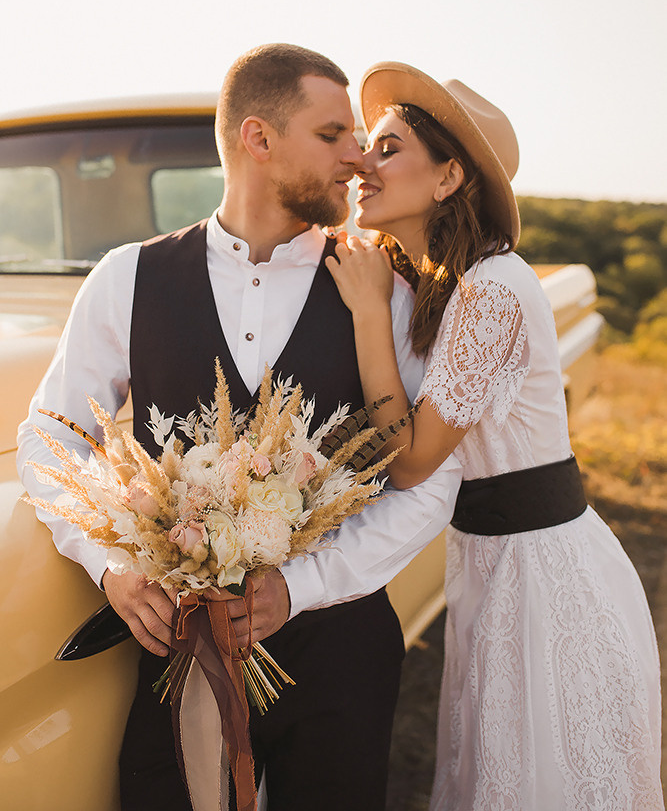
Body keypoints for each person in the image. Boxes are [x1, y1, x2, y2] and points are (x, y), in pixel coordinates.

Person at [17, 45, 462, 811]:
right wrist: (109, 566)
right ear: (258, 140)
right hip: (178, 650)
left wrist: (301, 587)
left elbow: (427, 480)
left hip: (341, 647)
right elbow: (50, 438)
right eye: (332, 136)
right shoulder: (127, 276)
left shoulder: (383, 292)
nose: (357, 160)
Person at [272, 62, 664, 810]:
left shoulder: (490, 289)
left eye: (388, 149)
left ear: (449, 177)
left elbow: (415, 461)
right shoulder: (440, 283)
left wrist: (362, 313)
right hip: (490, 561)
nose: (363, 164)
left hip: (545, 574)